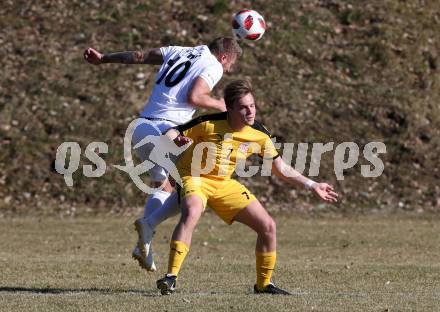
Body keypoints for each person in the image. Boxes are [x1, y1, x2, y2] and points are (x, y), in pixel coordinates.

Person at [156, 80, 339, 295]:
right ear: (230, 107)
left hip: (224, 184)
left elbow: (280, 168)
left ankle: (263, 285)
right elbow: (170, 132)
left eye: (252, 105)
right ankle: (171, 278)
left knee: (268, 226)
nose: (250, 111)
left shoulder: (259, 134)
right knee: (192, 211)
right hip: (195, 178)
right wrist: (174, 139)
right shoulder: (208, 123)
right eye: (243, 107)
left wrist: (312, 184)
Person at [84, 37, 242, 271]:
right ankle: (149, 223)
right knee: (199, 185)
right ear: (224, 57)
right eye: (229, 66)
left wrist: (104, 58)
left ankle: (143, 244)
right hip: (167, 131)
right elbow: (195, 97)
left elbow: (139, 56)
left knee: (163, 185)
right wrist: (221, 105)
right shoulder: (213, 64)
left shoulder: (177, 51)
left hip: (141, 128)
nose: (227, 70)